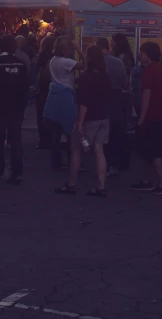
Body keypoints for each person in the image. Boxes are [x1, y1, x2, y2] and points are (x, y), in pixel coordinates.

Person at [55, 45, 112, 197]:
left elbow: (84, 102)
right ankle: (101, 186)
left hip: (89, 118)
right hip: (103, 117)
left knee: (76, 150)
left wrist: (80, 122)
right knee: (99, 150)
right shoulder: (105, 74)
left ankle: (71, 183)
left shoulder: (87, 76)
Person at [131, 41, 162, 196]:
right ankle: (146, 180)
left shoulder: (148, 71)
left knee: (154, 152)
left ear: (148, 55)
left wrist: (141, 117)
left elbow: (146, 96)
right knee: (149, 150)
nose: (140, 55)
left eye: (142, 52)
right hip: (160, 114)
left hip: (151, 116)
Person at [0, 34, 29, 185]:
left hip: (0, 106)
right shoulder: (20, 63)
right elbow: (25, 87)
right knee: (15, 140)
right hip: (17, 108)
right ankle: (17, 172)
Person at [44, 36, 84, 170]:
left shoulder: (53, 60)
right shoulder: (66, 62)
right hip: (66, 98)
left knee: (55, 133)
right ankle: (73, 160)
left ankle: (56, 162)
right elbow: (86, 64)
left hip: (54, 96)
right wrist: (79, 49)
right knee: (71, 132)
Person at [96, 37, 129, 175]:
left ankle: (103, 164)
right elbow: (125, 81)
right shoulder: (119, 62)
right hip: (117, 98)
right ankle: (115, 165)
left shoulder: (96, 62)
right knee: (116, 133)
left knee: (102, 134)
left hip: (101, 98)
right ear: (108, 47)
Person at [35, 34, 56, 150]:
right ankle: (52, 139)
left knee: (41, 115)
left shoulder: (41, 57)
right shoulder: (56, 57)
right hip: (53, 88)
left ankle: (43, 140)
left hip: (42, 89)